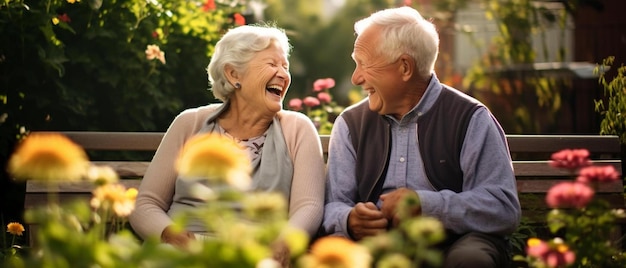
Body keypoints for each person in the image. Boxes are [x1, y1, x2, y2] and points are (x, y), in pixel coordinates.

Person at [322, 6, 521, 267]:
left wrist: (427, 206)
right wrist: (349, 219)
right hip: (377, 248)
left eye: (364, 64)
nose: (356, 77)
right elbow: (333, 204)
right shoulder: (350, 124)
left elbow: (502, 207)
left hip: (455, 244)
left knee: (471, 259)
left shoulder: (471, 118)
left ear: (405, 67)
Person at [129, 24, 326, 264]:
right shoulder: (190, 123)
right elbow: (146, 205)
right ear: (234, 75)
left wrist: (283, 245)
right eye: (272, 64)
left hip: (257, 255)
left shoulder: (297, 129)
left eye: (285, 66)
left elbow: (309, 206)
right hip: (185, 253)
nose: (284, 75)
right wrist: (173, 237)